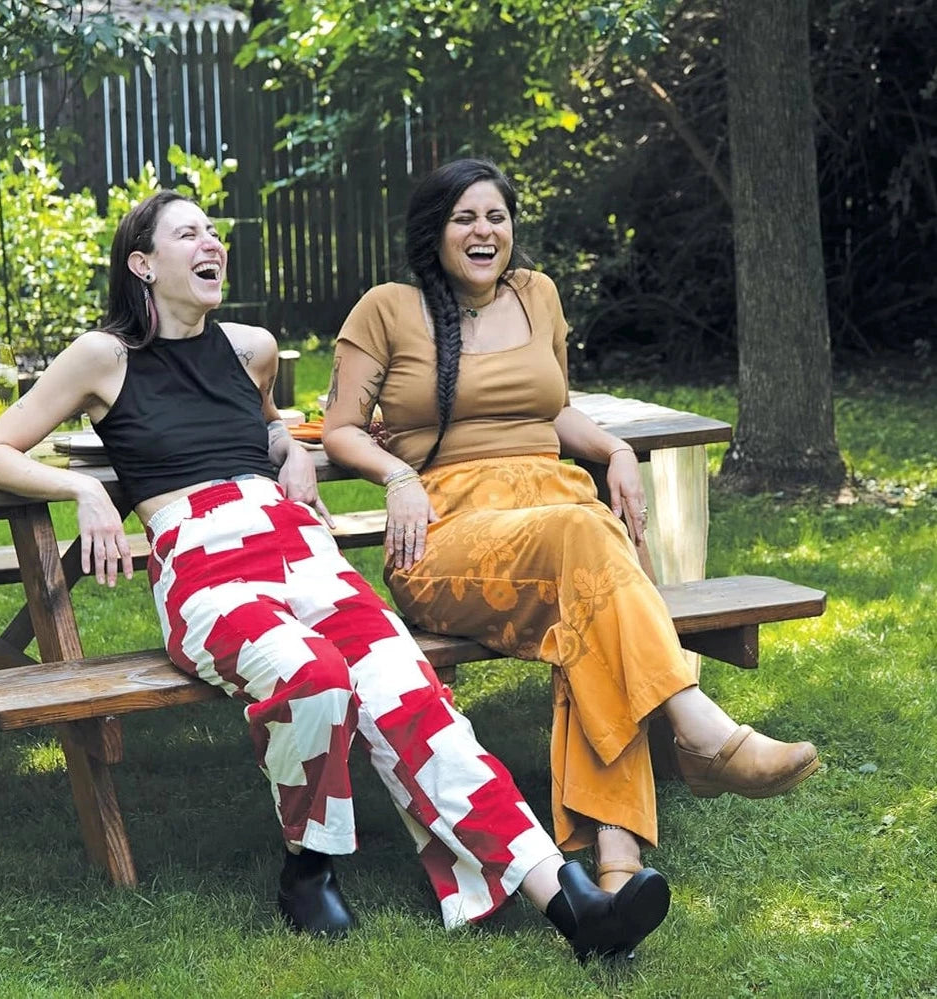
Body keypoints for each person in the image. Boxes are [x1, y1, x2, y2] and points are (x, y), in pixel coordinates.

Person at [0, 189, 671, 962]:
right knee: (313, 676)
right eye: (187, 234)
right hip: (202, 564)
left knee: (414, 697)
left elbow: (260, 419)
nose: (211, 244)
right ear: (142, 263)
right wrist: (84, 488)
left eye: (213, 231)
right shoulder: (104, 356)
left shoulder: (249, 346)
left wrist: (286, 443)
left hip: (300, 545)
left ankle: (571, 902)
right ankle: (310, 864)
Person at [321, 158, 821, 913]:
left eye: (496, 216)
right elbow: (338, 430)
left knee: (587, 595)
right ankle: (699, 729)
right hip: (450, 528)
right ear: (435, 233)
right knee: (587, 538)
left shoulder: (538, 295)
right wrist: (398, 477)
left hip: (558, 516)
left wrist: (615, 448)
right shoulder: (387, 309)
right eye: (465, 217)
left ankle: (617, 867)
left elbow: (550, 408)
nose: (485, 231)